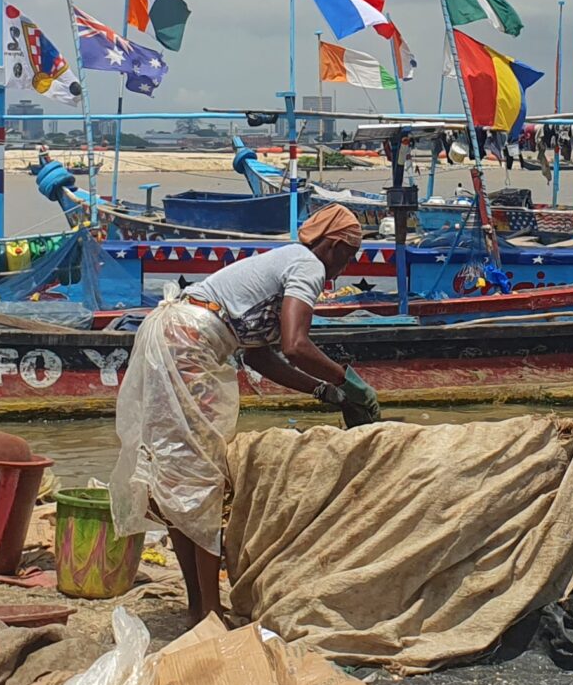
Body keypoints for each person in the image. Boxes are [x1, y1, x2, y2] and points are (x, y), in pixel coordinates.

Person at [110, 203, 380, 619]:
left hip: (172, 334)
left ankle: (199, 607)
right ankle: (210, 612)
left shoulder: (286, 261)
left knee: (180, 477)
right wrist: (349, 381)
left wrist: (323, 391)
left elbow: (259, 357)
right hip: (190, 343)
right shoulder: (308, 264)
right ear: (330, 245)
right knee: (204, 478)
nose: (344, 269)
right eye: (346, 256)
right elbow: (296, 345)